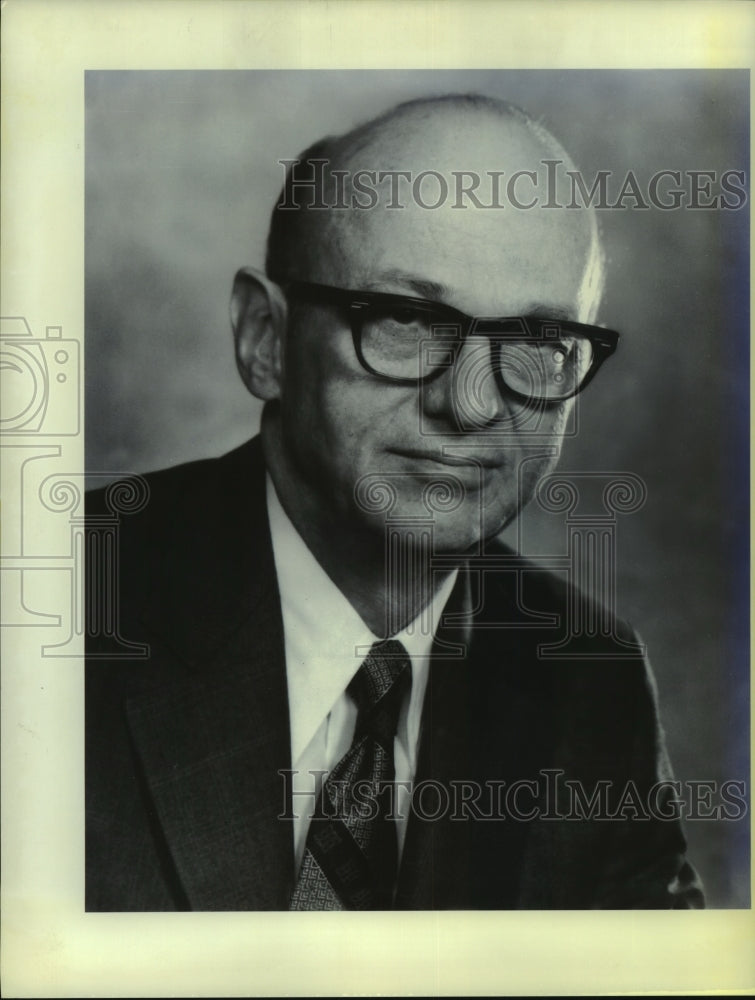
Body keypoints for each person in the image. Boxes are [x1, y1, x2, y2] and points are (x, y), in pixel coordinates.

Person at [85, 93, 704, 910]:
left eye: (533, 344)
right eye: (407, 321)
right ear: (265, 341)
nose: (472, 406)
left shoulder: (587, 682)